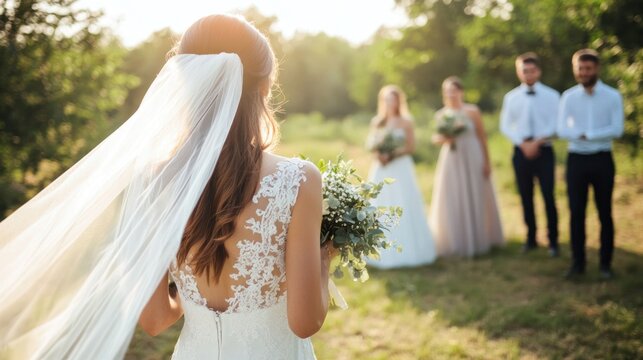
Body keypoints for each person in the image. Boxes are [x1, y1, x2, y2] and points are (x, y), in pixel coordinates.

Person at [0, 15, 332, 359]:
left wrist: (197, 299)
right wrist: (323, 262)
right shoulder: (298, 181)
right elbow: (304, 322)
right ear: (263, 90)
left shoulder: (153, 181)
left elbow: (156, 318)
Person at [557, 49, 624, 279]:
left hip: (602, 159)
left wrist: (587, 135)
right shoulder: (568, 96)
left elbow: (617, 129)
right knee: (576, 212)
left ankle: (606, 264)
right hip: (576, 160)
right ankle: (578, 263)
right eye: (579, 69)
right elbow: (562, 129)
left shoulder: (612, 95)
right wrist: (584, 135)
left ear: (596, 69)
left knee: (604, 212)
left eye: (587, 69)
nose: (583, 73)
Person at [429, 76, 504, 257]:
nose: (451, 94)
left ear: (461, 92)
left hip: (472, 155)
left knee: (475, 193)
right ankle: (456, 240)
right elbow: (435, 138)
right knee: (453, 195)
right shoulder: (441, 114)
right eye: (447, 91)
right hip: (451, 158)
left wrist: (487, 161)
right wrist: (445, 138)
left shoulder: (472, 111)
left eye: (454, 90)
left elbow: (482, 137)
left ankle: (479, 238)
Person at [366, 85, 436, 269]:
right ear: (383, 101)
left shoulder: (406, 121)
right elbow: (372, 145)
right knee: (380, 205)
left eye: (393, 99)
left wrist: (393, 153)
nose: (390, 102)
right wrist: (379, 155)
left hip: (400, 168)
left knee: (403, 203)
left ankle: (409, 248)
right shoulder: (378, 122)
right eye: (387, 99)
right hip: (381, 169)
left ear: (398, 101)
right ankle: (378, 250)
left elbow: (411, 146)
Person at [500, 52, 560, 256]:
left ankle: (553, 241)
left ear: (538, 71)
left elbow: (557, 124)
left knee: (548, 195)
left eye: (531, 70)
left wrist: (538, 141)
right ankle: (531, 237)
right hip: (521, 150)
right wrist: (522, 143)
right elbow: (506, 125)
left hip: (544, 150)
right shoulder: (511, 97)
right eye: (524, 71)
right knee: (526, 196)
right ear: (519, 72)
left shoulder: (553, 95)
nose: (528, 74)